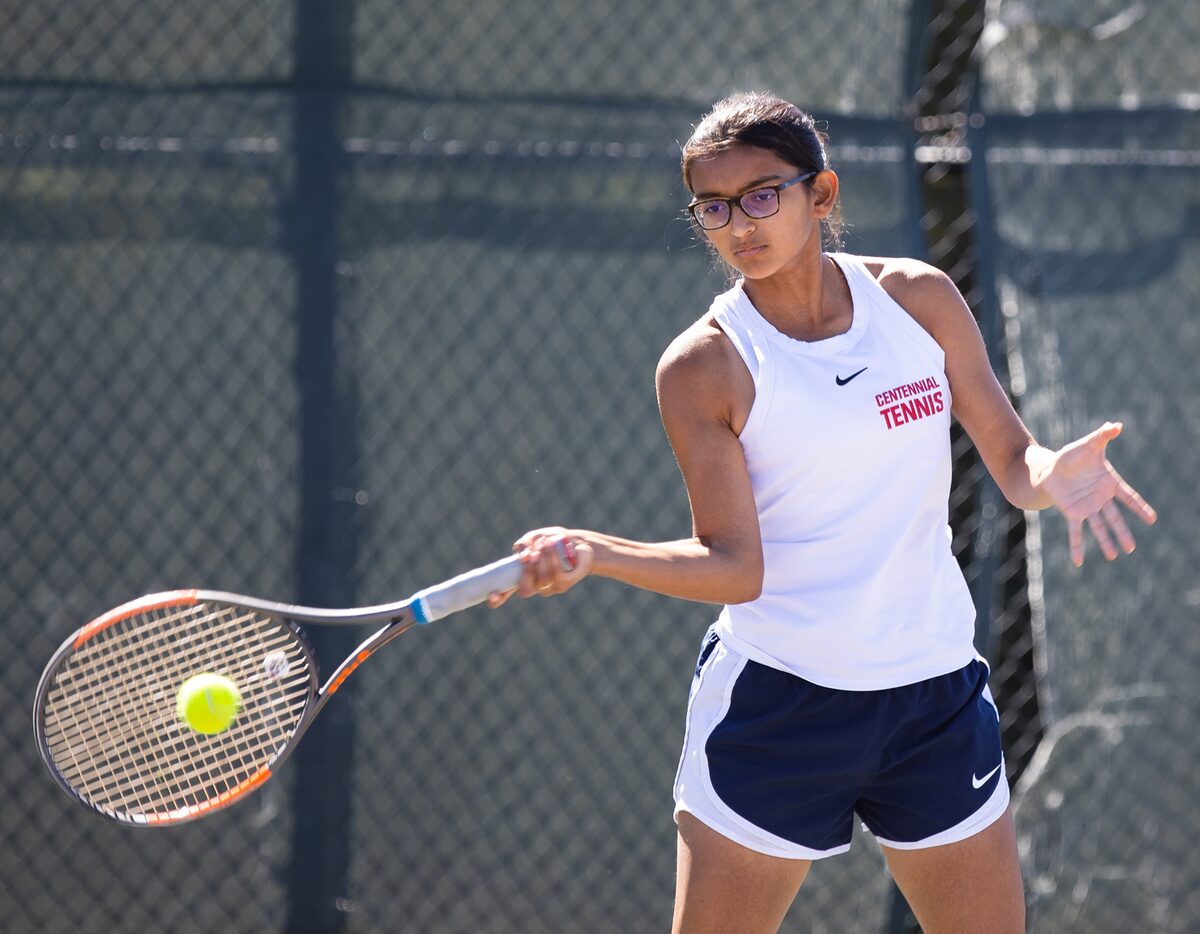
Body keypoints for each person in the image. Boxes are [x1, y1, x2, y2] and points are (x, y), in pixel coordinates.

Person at [489, 92, 1157, 934]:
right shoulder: (704, 367)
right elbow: (735, 565)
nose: (740, 223)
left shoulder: (918, 301)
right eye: (715, 206)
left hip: (932, 698)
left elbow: (1013, 462)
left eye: (763, 194)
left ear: (823, 194)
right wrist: (598, 551)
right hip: (780, 707)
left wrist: (1054, 473)